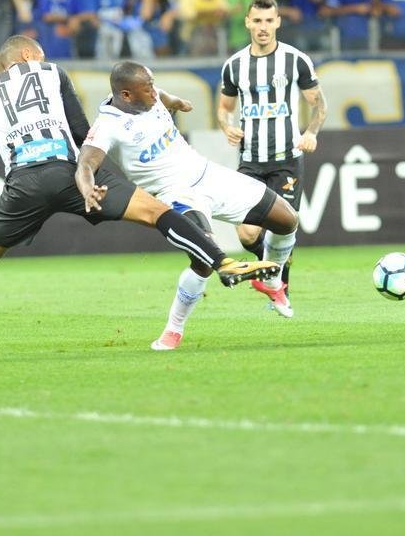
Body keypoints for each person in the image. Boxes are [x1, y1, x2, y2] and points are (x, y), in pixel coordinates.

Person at [0, 36, 279, 358]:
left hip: (23, 185)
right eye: (40, 54)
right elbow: (83, 133)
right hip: (69, 171)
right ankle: (222, 261)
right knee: (157, 211)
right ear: (28, 57)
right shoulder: (52, 73)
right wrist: (94, 177)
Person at [77, 61, 301, 350]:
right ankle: (173, 329)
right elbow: (85, 164)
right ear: (126, 95)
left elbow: (164, 96)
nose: (154, 93)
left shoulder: (150, 95)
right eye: (147, 89)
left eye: (153, 85)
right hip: (175, 194)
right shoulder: (108, 125)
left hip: (208, 174)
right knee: (204, 260)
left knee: (287, 219)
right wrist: (88, 189)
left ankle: (272, 281)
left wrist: (178, 103)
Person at [217, 0, 327, 316]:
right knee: (246, 233)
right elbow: (224, 108)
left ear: (278, 22)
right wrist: (226, 126)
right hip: (250, 160)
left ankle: (280, 291)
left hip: (286, 158)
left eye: (268, 21)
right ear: (247, 23)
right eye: (257, 21)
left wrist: (311, 133)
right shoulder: (234, 66)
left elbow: (319, 104)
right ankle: (270, 271)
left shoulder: (295, 60)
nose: (263, 27)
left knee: (284, 226)